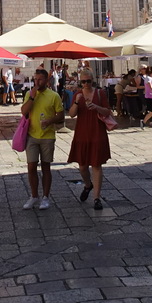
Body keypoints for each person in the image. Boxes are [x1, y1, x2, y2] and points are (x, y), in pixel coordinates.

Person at [20, 68, 64, 210]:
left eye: (40, 79)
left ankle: (45, 197)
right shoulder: (29, 94)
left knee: (46, 166)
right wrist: (32, 97)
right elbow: (23, 111)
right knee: (31, 166)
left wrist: (50, 121)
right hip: (32, 135)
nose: (37, 82)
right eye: (35, 79)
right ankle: (34, 196)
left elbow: (61, 116)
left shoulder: (54, 96)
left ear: (46, 80)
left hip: (48, 136)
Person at [68, 72, 111, 210]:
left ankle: (96, 198)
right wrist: (76, 101)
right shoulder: (78, 95)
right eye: (83, 82)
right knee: (82, 166)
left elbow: (108, 112)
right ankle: (88, 185)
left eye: (88, 81)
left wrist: (96, 107)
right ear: (80, 82)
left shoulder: (100, 94)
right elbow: (72, 114)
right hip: (82, 133)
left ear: (93, 81)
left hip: (97, 132)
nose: (86, 84)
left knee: (97, 165)